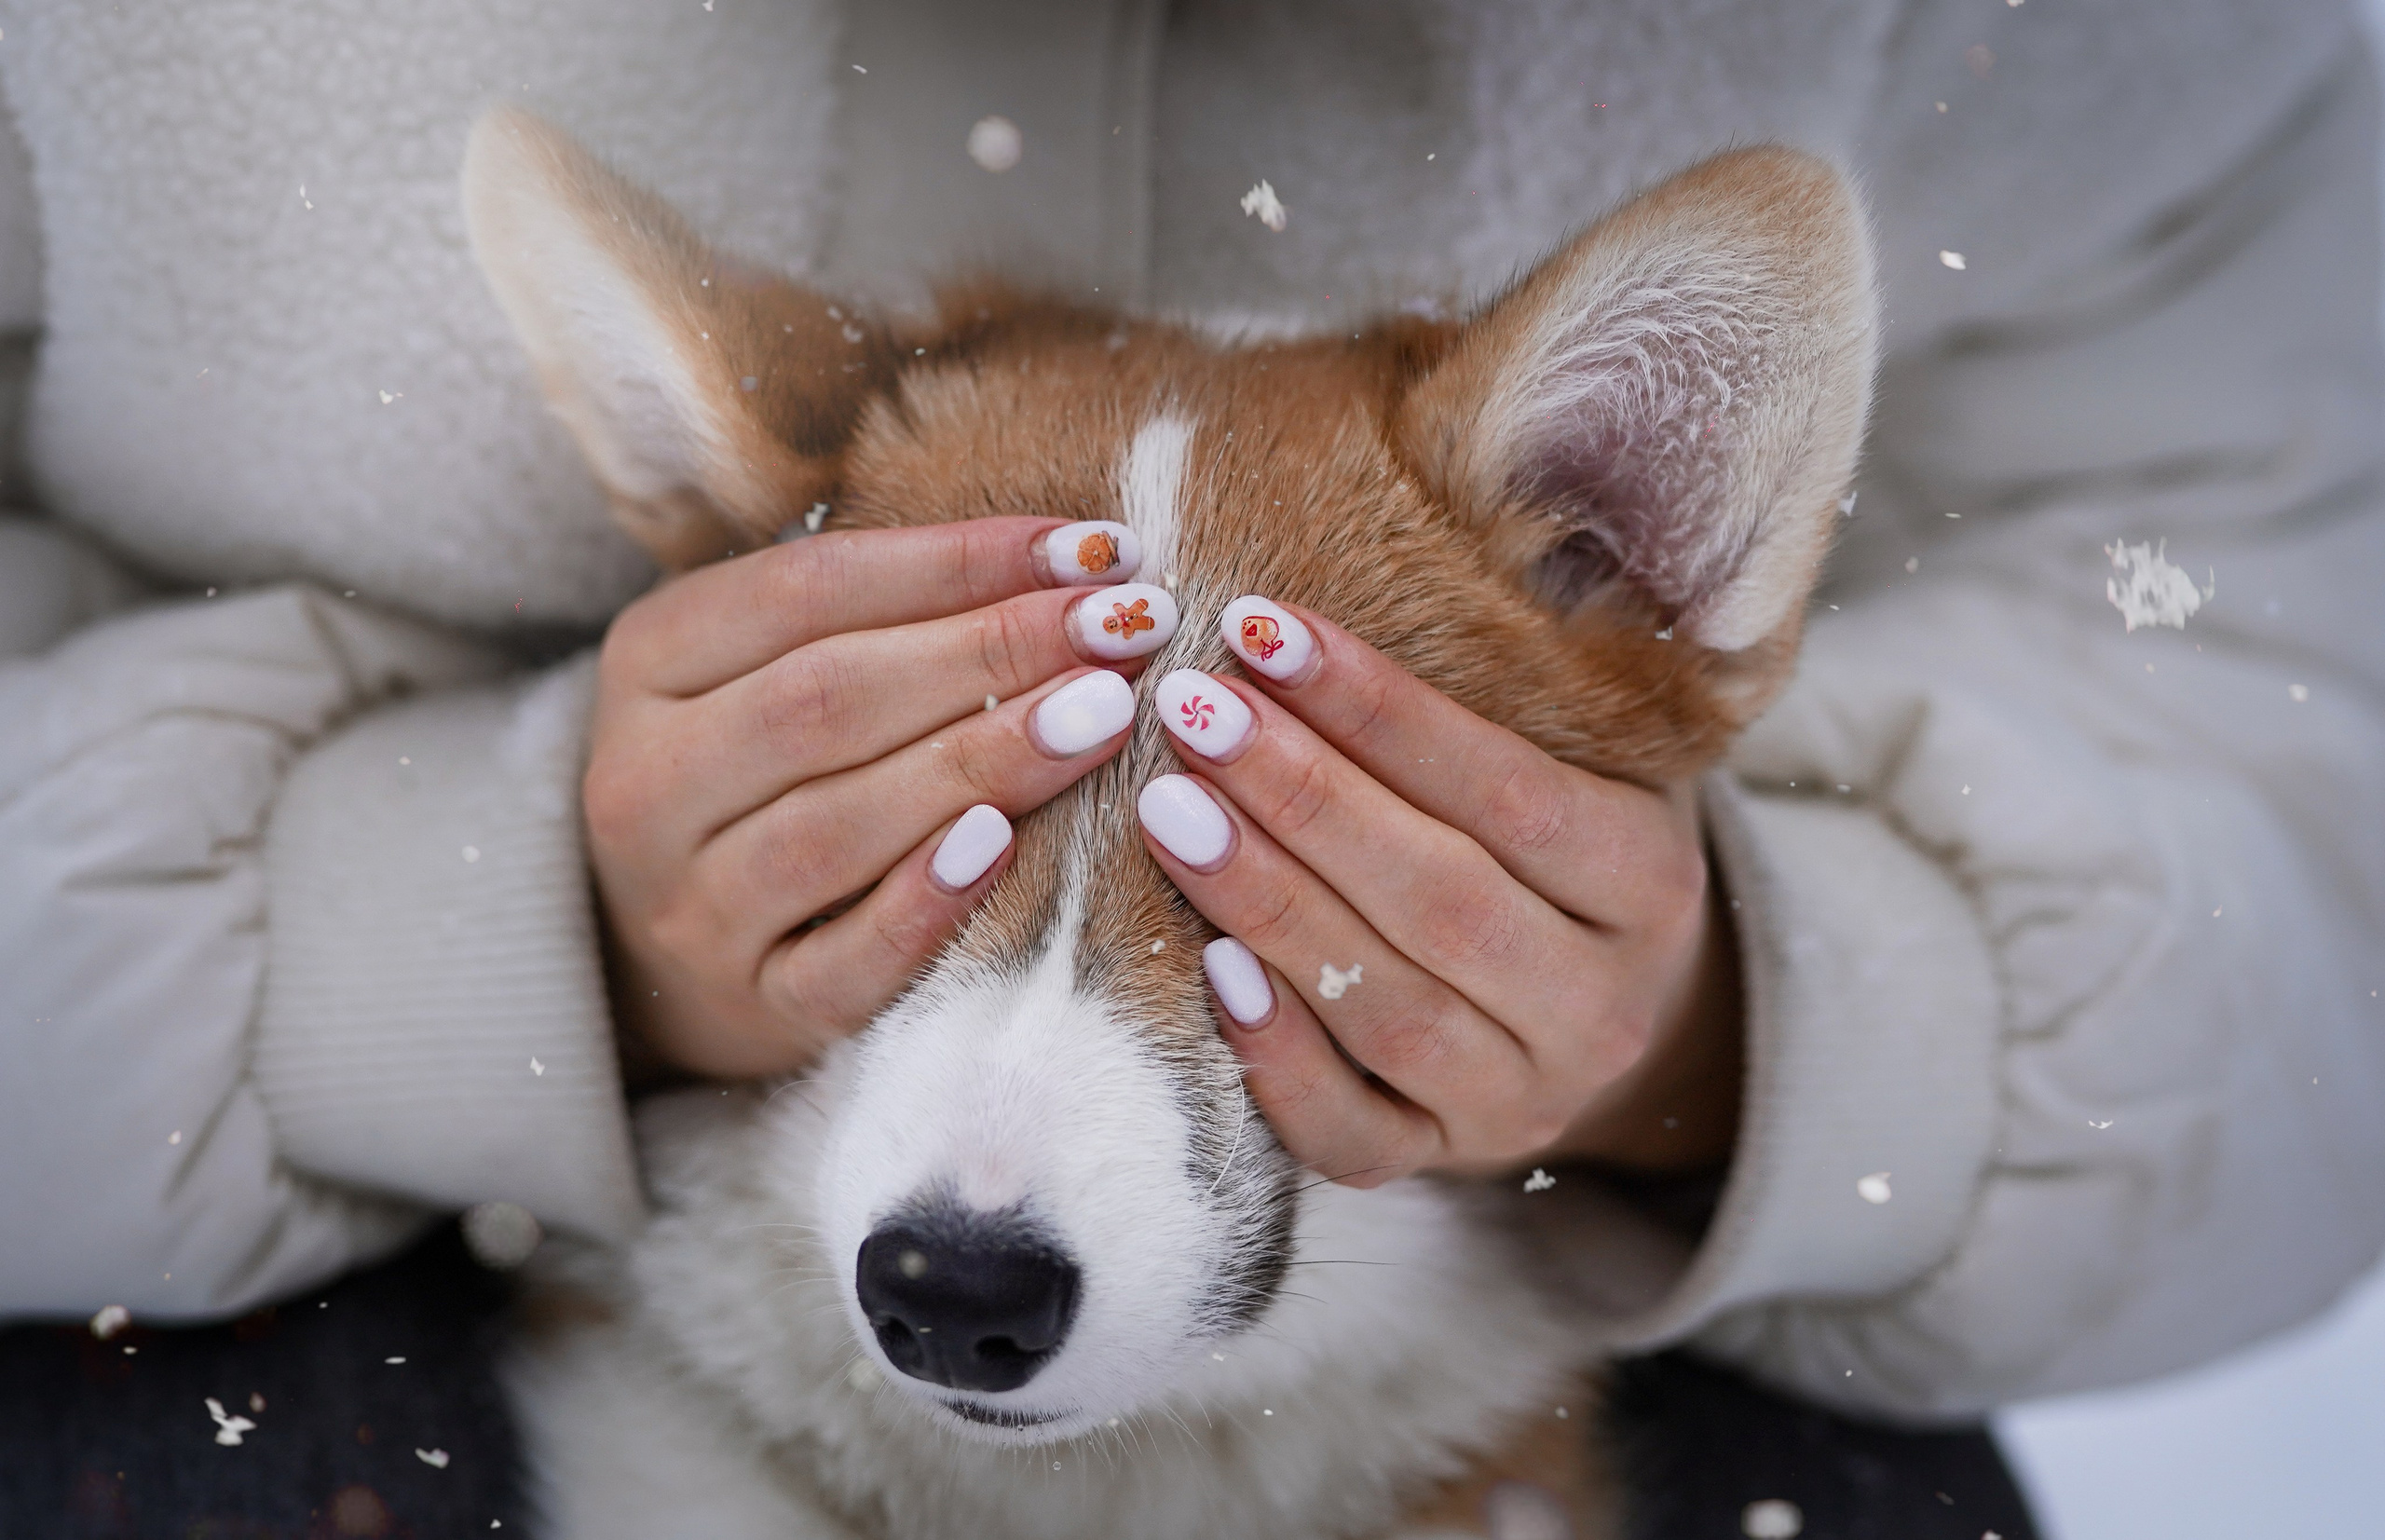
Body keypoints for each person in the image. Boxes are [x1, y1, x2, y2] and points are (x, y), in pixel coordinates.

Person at [2, 0, 2379, 1424]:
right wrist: (478, 932)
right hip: (277, 1242)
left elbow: (2286, 706)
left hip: (1635, 1305)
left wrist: (1749, 1032)